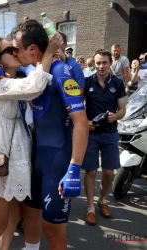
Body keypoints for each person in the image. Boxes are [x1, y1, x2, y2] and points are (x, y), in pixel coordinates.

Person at [0, 19, 89, 250]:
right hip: (33, 159)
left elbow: (81, 122)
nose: (14, 53)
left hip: (57, 161)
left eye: (16, 48)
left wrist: (74, 168)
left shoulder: (60, 71)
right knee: (29, 214)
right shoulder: (27, 71)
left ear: (32, 49)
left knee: (53, 233)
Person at [0, 36, 60, 250]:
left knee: (13, 217)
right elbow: (33, 87)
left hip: (13, 156)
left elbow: (28, 82)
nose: (15, 50)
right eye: (9, 49)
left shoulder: (10, 77)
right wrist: (47, 54)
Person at [82, 49, 126, 226]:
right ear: (93, 64)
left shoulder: (118, 82)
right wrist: (85, 121)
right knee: (91, 171)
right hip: (91, 133)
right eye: (98, 63)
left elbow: (122, 109)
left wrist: (115, 116)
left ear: (110, 63)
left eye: (104, 63)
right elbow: (77, 106)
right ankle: (90, 208)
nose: (101, 66)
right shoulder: (86, 82)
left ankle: (102, 200)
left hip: (110, 132)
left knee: (109, 172)